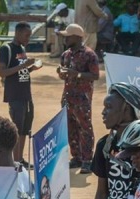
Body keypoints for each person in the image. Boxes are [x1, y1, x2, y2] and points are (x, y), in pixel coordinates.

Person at [56, 23, 100, 174]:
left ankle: (87, 160)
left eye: (67, 36)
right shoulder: (66, 55)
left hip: (82, 99)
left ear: (76, 37)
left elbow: (95, 75)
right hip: (68, 97)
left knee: (85, 128)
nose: (65, 39)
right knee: (70, 128)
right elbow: (65, 75)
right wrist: (62, 73)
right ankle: (77, 158)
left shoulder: (89, 55)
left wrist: (77, 74)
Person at [0, 22, 42, 167]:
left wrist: (31, 69)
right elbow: (3, 72)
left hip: (26, 95)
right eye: (26, 35)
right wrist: (24, 65)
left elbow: (19, 73)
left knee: (25, 128)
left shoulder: (22, 49)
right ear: (17, 33)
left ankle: (20, 160)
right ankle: (14, 162)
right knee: (17, 129)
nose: (28, 39)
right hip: (15, 95)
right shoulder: (6, 49)